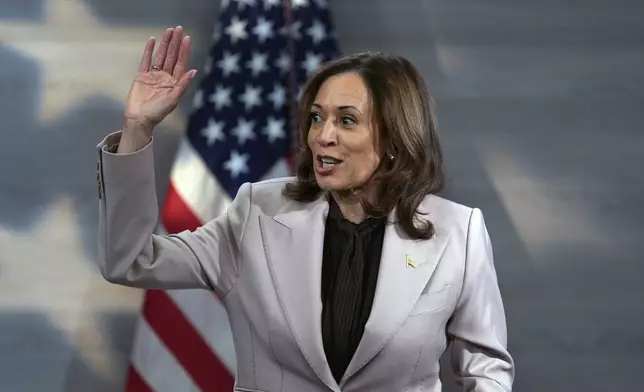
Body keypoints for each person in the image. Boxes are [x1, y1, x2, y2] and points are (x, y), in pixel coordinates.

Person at [96, 26, 514, 392]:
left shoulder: (458, 232)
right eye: (317, 118)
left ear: (393, 138)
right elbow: (130, 261)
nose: (322, 137)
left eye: (346, 120)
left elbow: (486, 368)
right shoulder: (256, 214)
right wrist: (138, 128)